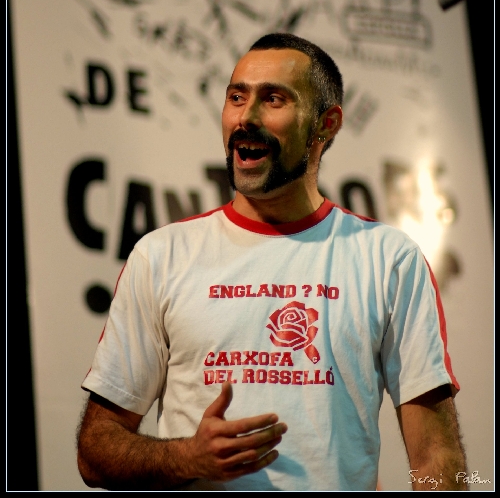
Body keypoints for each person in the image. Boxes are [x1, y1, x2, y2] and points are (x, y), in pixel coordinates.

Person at [77, 33, 467, 491]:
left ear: (326, 124)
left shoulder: (389, 259)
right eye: (236, 97)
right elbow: (95, 451)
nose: (246, 118)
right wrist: (187, 458)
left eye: (273, 99)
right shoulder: (161, 255)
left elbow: (436, 457)